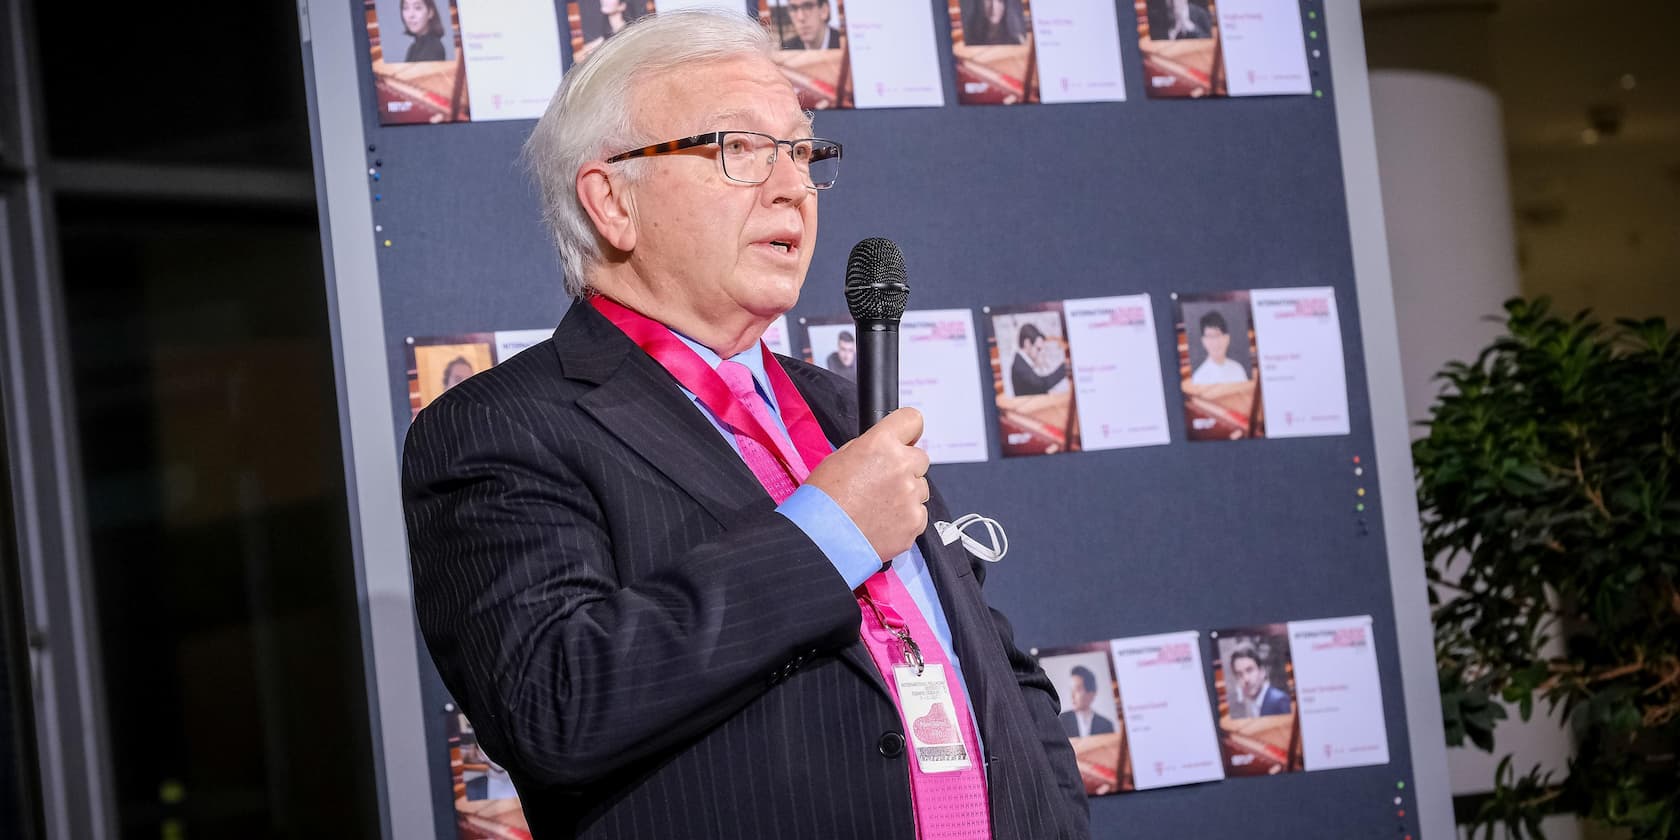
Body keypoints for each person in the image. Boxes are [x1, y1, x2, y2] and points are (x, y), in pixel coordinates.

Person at [403, 10, 1087, 839]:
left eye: (801, 151)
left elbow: (998, 670)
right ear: (612, 202)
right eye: (741, 150)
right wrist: (826, 532)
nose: (792, 185)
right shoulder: (501, 426)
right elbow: (555, 703)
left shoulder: (840, 408)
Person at [1186, 310, 1250, 387]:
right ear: (1203, 341)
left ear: (1227, 338)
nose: (1215, 342)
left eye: (1218, 335)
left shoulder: (1238, 368)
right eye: (1210, 336)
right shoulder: (1199, 377)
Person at [1228, 645, 1291, 719]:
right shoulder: (1252, 702)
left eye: (1249, 670)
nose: (1246, 679)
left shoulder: (1279, 701)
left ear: (1262, 672)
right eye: (1239, 674)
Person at [1010, 322, 1069, 396]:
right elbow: (1042, 385)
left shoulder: (1022, 361)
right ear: (1027, 343)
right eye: (1038, 349)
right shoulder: (1020, 365)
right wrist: (1065, 367)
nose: (1040, 353)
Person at [1058, 665, 1115, 739]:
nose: (1072, 695)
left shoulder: (1106, 725)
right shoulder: (1061, 721)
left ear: (1091, 694)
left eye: (1077, 690)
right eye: (1071, 690)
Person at [963, 0, 1028, 47]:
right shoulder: (971, 38)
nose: (993, 7)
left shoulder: (1016, 40)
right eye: (988, 0)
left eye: (999, 1)